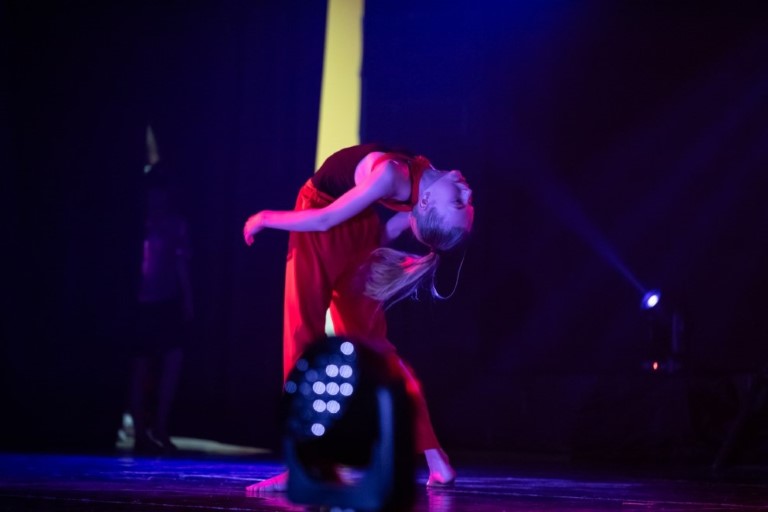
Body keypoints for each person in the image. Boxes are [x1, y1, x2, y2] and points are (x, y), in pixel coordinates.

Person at [242, 143, 474, 492]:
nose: (467, 193)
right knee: (375, 349)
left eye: (459, 202)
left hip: (321, 226)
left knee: (302, 343)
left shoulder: (393, 175)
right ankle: (436, 459)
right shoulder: (419, 183)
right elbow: (404, 222)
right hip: (359, 229)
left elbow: (325, 220)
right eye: (466, 202)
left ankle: (302, 464)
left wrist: (264, 218)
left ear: (425, 202)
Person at [129, 162, 193, 454]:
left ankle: (160, 426)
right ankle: (140, 432)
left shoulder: (175, 224)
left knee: (172, 362)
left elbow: (181, 265)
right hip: (141, 304)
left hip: (167, 302)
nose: (157, 197)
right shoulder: (137, 223)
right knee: (140, 366)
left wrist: (188, 301)